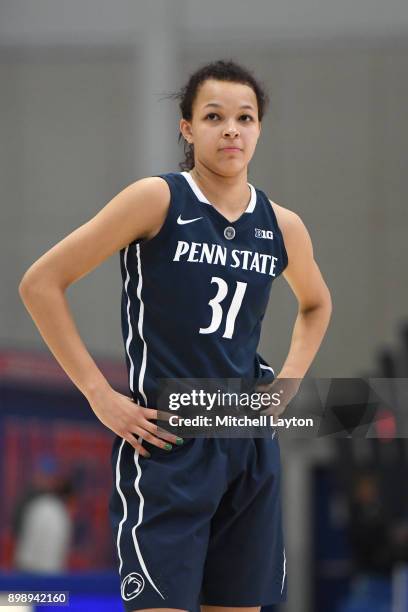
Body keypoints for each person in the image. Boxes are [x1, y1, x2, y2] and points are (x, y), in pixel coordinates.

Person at [19, 59, 332, 612]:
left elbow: (315, 304)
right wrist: (100, 396)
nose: (231, 129)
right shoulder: (157, 199)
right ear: (187, 128)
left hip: (245, 437)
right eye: (214, 116)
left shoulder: (284, 226)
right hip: (167, 442)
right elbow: (40, 284)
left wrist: (286, 384)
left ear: (260, 129)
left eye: (245, 117)